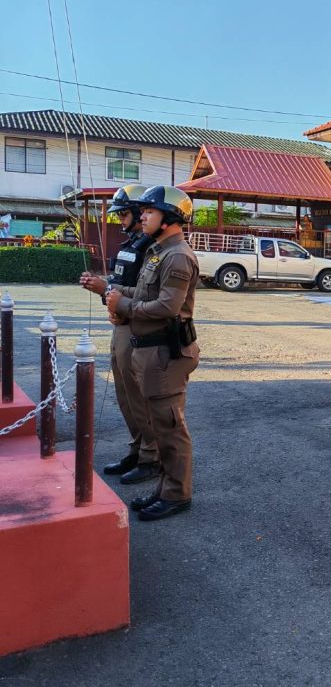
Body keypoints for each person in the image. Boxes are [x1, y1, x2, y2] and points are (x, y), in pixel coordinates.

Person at [105, 185, 200, 522]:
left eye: (149, 211)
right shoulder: (159, 251)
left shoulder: (177, 255)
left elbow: (166, 307)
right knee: (159, 425)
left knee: (170, 428)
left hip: (165, 352)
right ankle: (165, 488)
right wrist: (115, 292)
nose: (142, 216)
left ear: (169, 217)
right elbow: (147, 292)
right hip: (150, 351)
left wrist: (123, 304)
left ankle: (177, 494)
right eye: (142, 211)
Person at [79, 185, 160, 486]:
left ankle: (152, 457)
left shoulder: (154, 249)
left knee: (140, 396)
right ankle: (138, 449)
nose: (119, 219)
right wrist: (104, 291)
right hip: (123, 324)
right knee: (125, 396)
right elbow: (121, 282)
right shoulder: (132, 244)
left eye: (124, 214)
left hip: (139, 327)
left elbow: (148, 294)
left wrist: (108, 291)